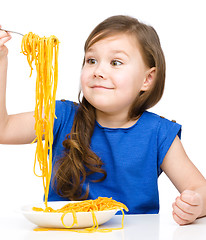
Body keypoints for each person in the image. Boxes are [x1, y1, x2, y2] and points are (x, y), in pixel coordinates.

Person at [0, 15, 206, 226]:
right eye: (91, 61)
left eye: (116, 62)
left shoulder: (159, 133)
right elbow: (3, 129)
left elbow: (200, 189)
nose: (98, 71)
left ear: (147, 79)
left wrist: (196, 204)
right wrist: (1, 59)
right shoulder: (60, 116)